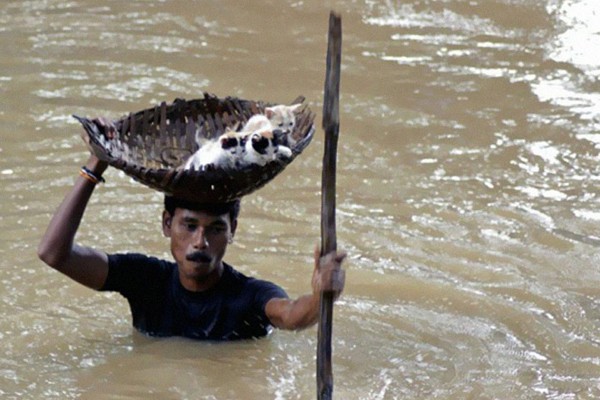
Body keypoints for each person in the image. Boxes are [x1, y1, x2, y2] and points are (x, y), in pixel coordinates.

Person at [37, 121, 346, 341]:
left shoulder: (250, 296)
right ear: (167, 224)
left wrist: (322, 296)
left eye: (215, 229)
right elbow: (53, 253)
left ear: (232, 230)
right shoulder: (145, 280)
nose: (200, 242)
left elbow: (291, 315)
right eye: (189, 225)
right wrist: (95, 165)